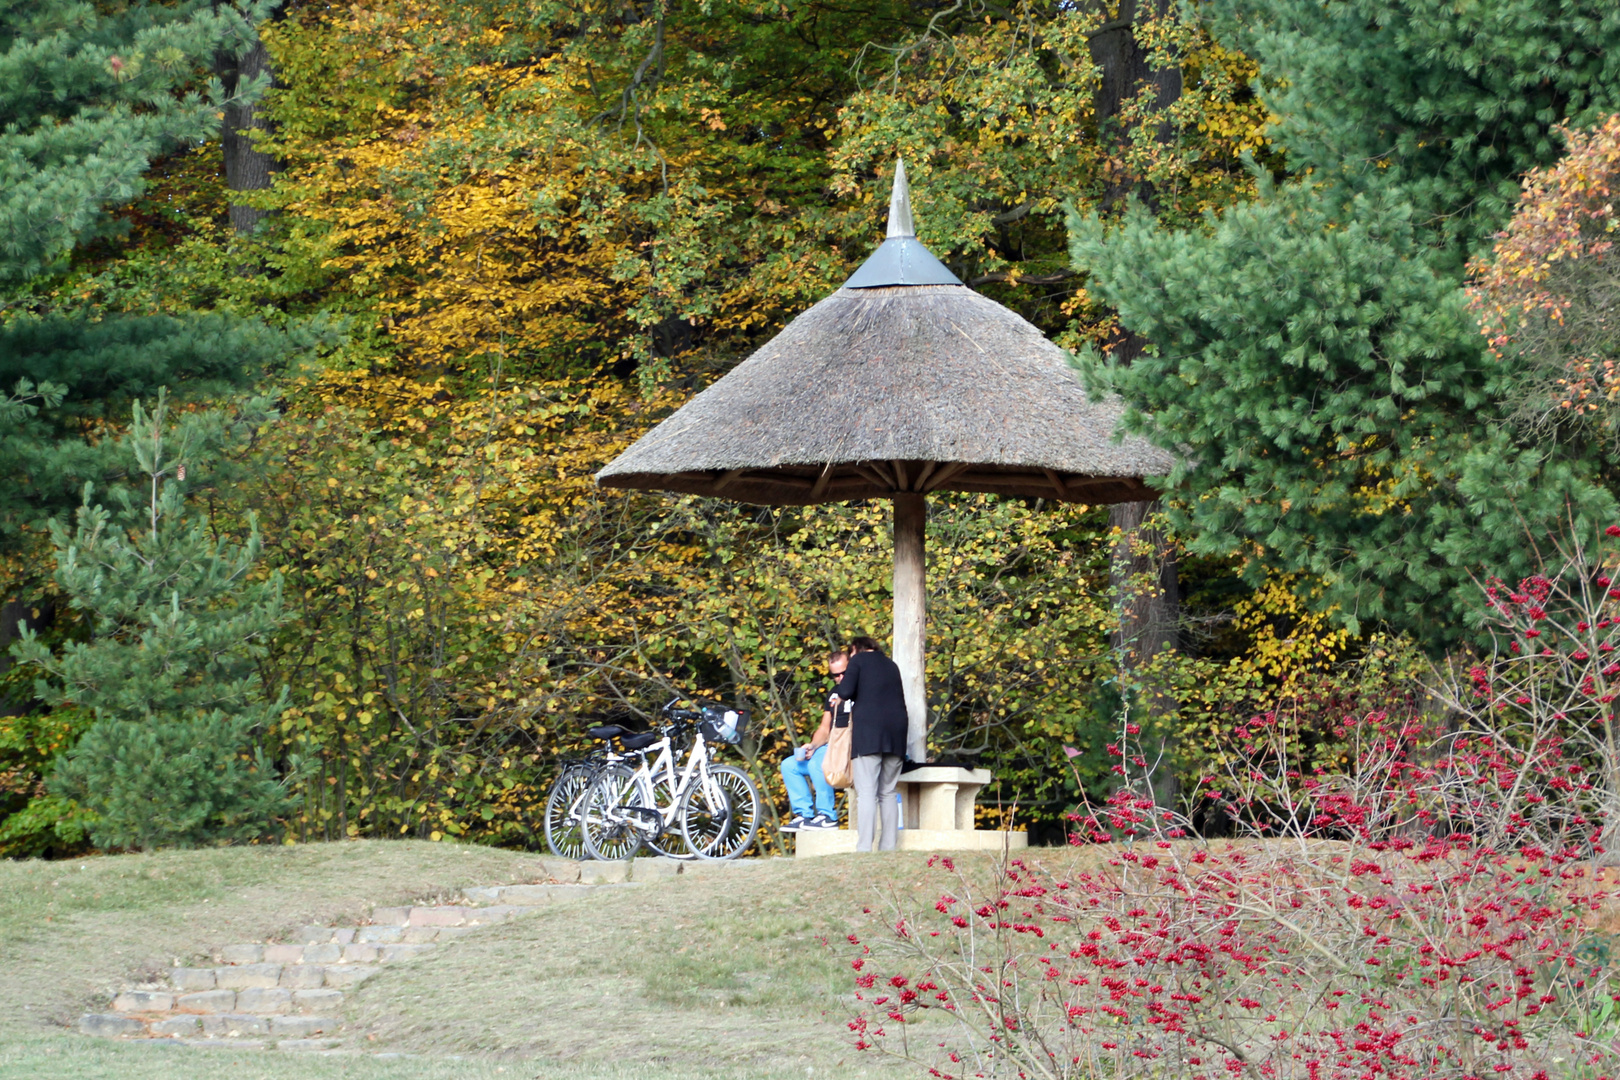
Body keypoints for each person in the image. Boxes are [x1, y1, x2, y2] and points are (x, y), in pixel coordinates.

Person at [831, 635, 909, 852]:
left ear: (856, 648)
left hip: (869, 734)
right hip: (897, 734)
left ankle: (864, 848)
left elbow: (845, 691)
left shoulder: (858, 661)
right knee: (888, 792)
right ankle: (888, 847)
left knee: (866, 792)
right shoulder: (892, 665)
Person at [779, 649, 847, 832]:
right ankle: (804, 815)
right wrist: (813, 746)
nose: (840, 678)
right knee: (789, 765)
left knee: (817, 763)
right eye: (835, 675)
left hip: (845, 748)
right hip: (828, 746)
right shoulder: (833, 693)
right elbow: (824, 727)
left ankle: (827, 816)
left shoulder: (860, 691)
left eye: (844, 673)